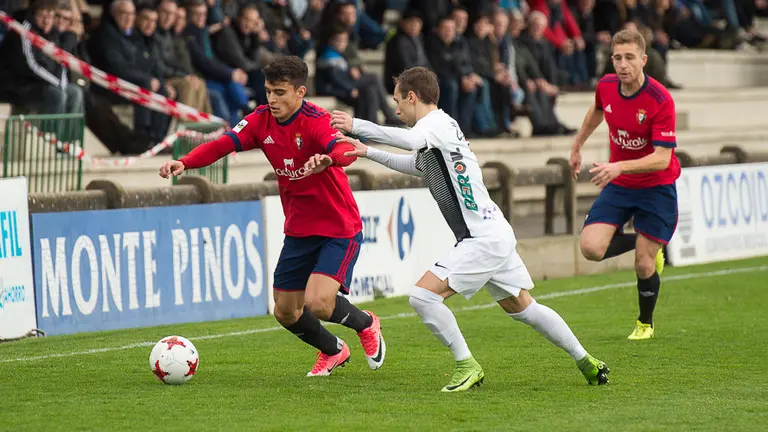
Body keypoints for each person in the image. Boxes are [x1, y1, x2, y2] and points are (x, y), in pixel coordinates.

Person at [324, 66, 609, 392]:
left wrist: (358, 126)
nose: (396, 109)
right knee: (524, 308)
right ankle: (586, 361)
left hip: (481, 238)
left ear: (412, 97)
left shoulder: (433, 125)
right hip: (492, 231)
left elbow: (410, 140)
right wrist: (368, 152)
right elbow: (417, 165)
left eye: (398, 101)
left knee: (422, 297)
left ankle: (466, 364)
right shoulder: (441, 129)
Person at [159, 56, 386, 377]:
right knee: (285, 311)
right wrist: (185, 162)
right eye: (268, 91)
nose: (272, 99)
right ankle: (333, 350)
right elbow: (223, 144)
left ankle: (366, 324)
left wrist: (328, 159)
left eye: (280, 92)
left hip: (338, 226)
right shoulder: (261, 120)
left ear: (300, 92)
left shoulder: (316, 120)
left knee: (319, 303)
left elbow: (345, 149)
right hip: (299, 229)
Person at [569, 29, 679, 341]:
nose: (622, 64)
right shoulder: (606, 86)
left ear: (643, 60)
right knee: (591, 248)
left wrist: (618, 166)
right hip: (620, 184)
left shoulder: (660, 99)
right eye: (617, 58)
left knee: (643, 264)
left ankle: (645, 323)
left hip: (656, 186)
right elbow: (597, 110)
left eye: (629, 57)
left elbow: (662, 158)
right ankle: (649, 241)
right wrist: (577, 146)